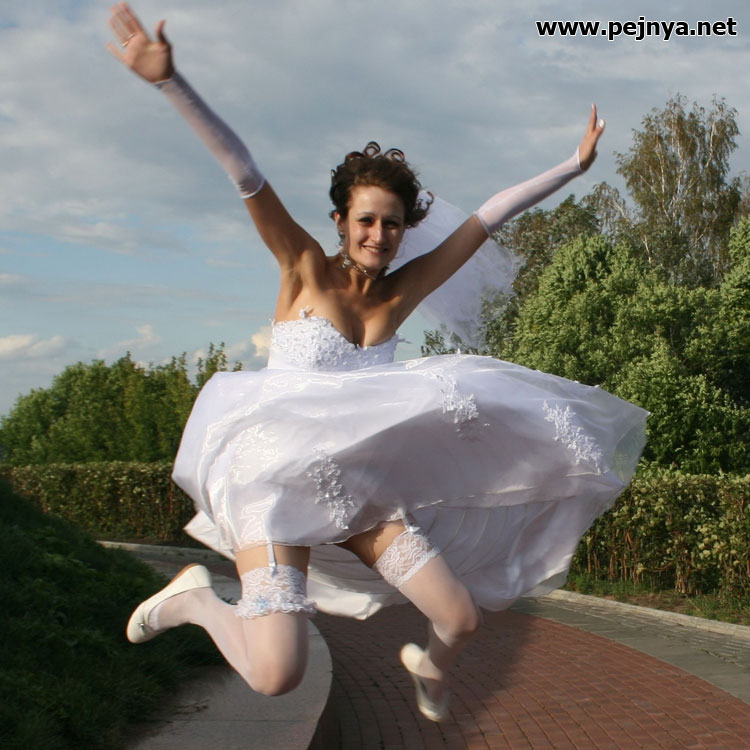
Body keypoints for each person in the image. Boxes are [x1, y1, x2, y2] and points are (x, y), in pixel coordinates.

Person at [108, 2, 646, 722]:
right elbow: (245, 172)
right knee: (277, 674)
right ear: (340, 221)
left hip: (356, 488)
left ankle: (429, 669)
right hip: (271, 479)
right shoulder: (302, 267)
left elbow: (488, 217)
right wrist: (171, 83)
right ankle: (199, 600)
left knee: (459, 617)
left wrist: (572, 167)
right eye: (365, 220)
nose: (379, 234)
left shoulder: (400, 293)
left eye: (392, 223)